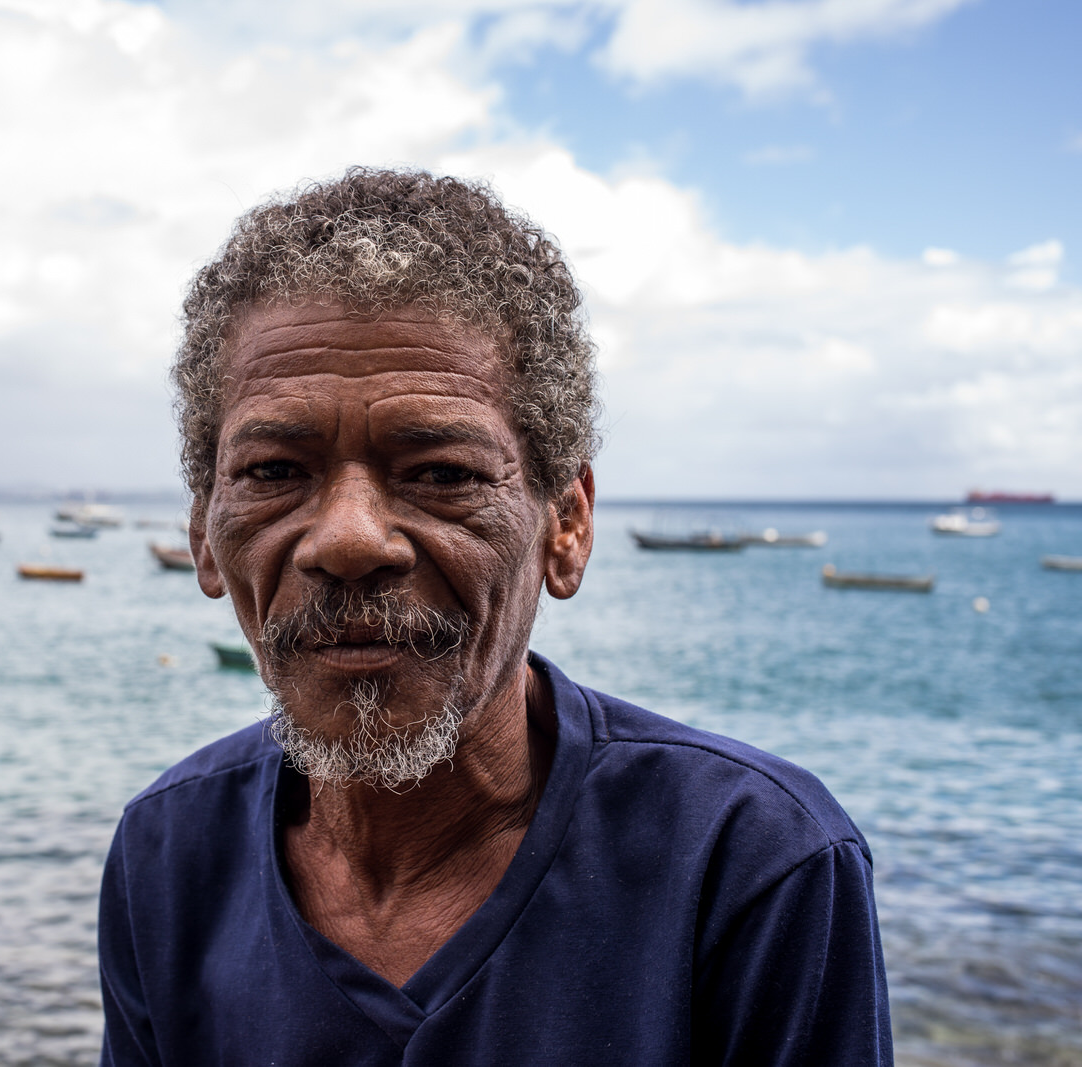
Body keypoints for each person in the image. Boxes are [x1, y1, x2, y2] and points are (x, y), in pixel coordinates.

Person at [97, 168, 891, 1065]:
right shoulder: (167, 856)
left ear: (567, 524)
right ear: (204, 533)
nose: (349, 541)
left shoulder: (750, 863)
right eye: (275, 472)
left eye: (441, 473)